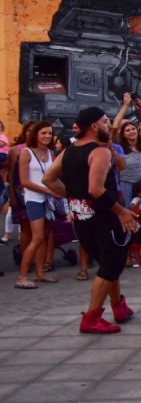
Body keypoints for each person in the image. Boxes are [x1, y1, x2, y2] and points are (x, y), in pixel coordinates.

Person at [42, 107, 138, 334]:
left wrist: (73, 197)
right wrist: (121, 212)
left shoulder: (69, 150)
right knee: (111, 265)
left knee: (107, 263)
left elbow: (48, 179)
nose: (109, 125)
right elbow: (96, 189)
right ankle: (92, 318)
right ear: (94, 126)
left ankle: (118, 306)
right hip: (105, 219)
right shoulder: (100, 152)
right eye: (105, 121)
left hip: (81, 218)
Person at [14, 122, 58, 289]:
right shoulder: (26, 153)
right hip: (33, 199)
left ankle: (39, 273)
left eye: (49, 133)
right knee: (37, 237)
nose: (47, 136)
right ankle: (22, 276)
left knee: (44, 237)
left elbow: (53, 176)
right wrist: (48, 190)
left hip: (48, 199)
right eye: (43, 133)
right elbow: (24, 181)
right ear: (36, 135)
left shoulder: (49, 152)